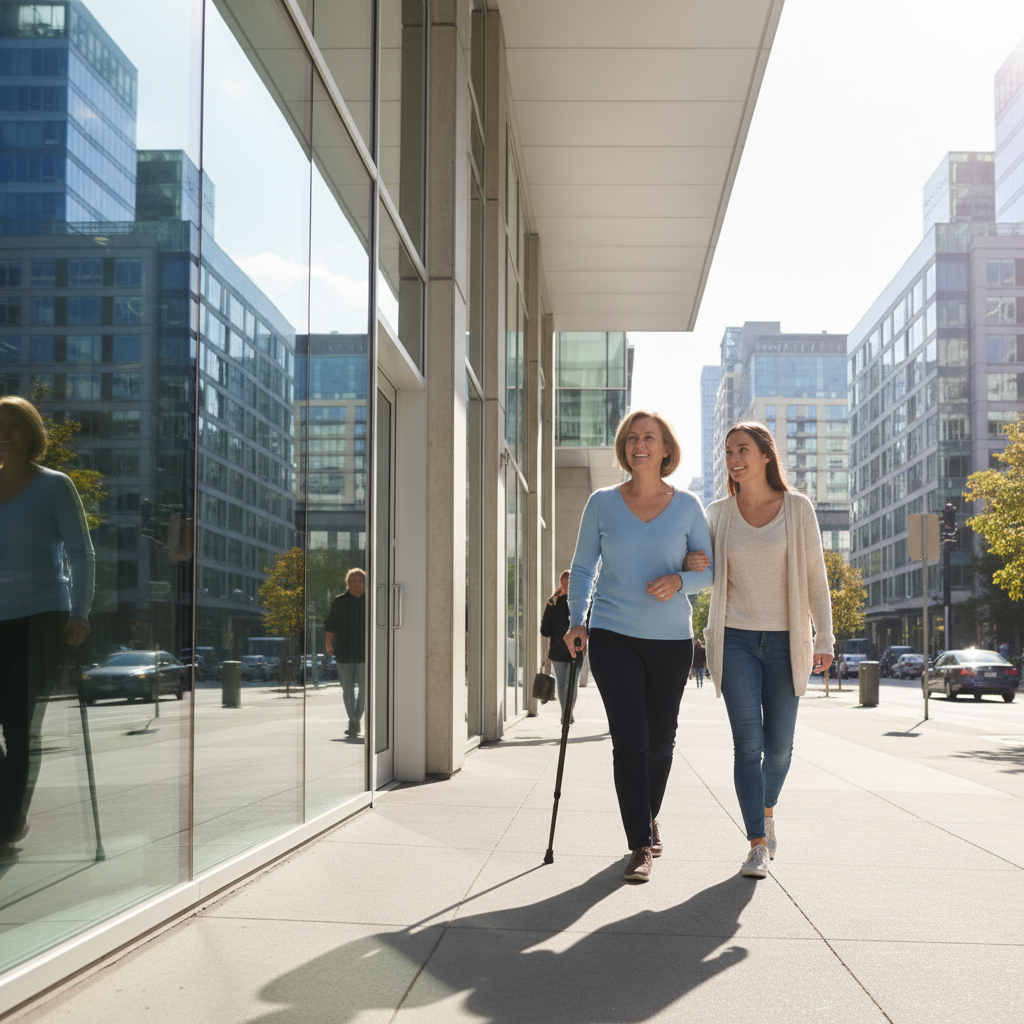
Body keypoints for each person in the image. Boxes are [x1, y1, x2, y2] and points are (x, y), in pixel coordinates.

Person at [565, 410, 713, 883]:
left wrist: (681, 579)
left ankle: (648, 816)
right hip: (612, 635)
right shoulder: (602, 503)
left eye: (649, 437)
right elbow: (584, 567)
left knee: (660, 742)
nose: (639, 445)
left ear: (666, 448)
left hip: (671, 641)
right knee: (629, 741)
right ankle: (639, 845)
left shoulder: (689, 505)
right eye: (631, 438)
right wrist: (575, 620)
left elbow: (709, 573)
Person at [684, 422, 833, 880]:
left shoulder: (797, 509)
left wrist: (824, 637)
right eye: (729, 451)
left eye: (742, 449)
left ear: (766, 455)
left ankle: (766, 808)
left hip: (787, 639)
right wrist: (690, 562)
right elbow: (699, 567)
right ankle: (755, 843)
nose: (734, 458)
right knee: (747, 747)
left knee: (780, 749)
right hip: (736, 639)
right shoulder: (717, 514)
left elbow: (814, 576)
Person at [0, 396, 94, 846]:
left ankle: (8, 823)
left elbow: (80, 552)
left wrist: (80, 611)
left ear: (31, 433)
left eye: (13, 424)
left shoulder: (55, 486)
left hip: (41, 618)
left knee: (19, 727)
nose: (4, 433)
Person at [324, 567, 366, 737]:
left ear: (365, 583)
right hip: (344, 652)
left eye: (360, 581)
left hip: (366, 653)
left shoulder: (372, 601)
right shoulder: (338, 602)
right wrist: (328, 644)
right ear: (347, 584)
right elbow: (330, 625)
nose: (357, 585)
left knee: (365, 689)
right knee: (347, 689)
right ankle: (354, 720)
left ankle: (355, 720)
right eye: (353, 582)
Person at [540, 570, 576, 723]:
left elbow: (544, 630)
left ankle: (565, 714)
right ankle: (567, 714)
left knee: (563, 683)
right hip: (576, 648)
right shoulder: (579, 602)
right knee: (571, 683)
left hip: (558, 648)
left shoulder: (552, 602)